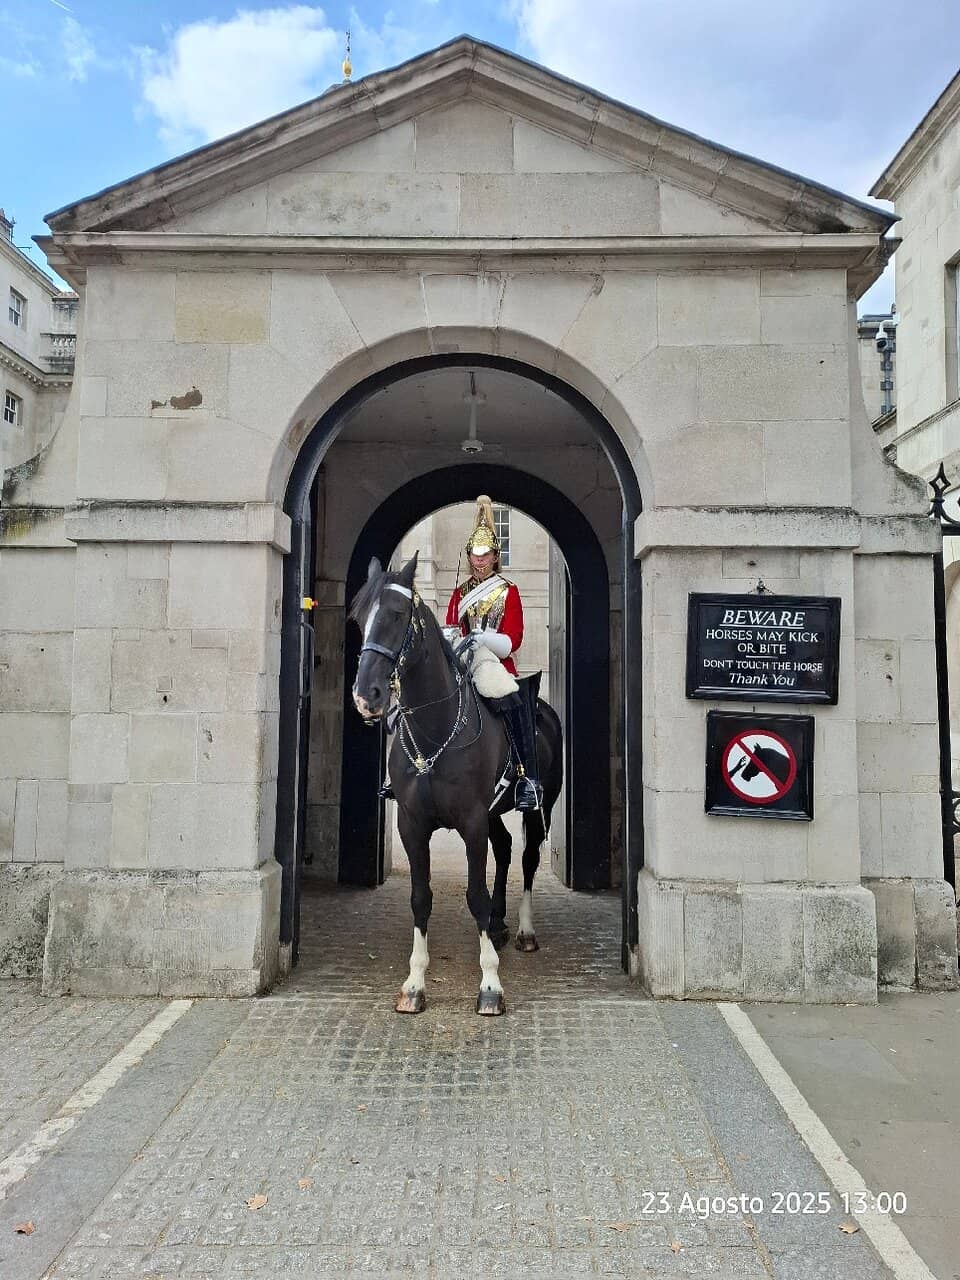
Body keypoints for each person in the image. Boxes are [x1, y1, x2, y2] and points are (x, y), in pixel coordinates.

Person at [443, 496, 542, 811]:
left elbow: (513, 639)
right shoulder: (459, 593)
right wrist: (453, 638)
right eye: (475, 554)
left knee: (514, 705)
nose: (479, 560)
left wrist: (482, 637)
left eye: (485, 555)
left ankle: (527, 778)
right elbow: (450, 626)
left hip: (498, 663)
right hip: (464, 662)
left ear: (495, 556)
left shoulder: (508, 591)